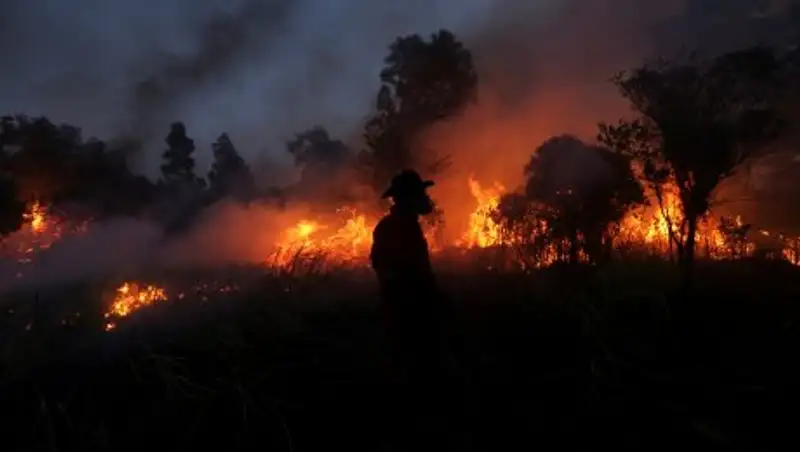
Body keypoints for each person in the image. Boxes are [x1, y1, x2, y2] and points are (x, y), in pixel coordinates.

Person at [370, 169, 445, 386]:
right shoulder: (395, 227)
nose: (426, 199)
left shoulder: (404, 225)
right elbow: (392, 270)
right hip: (407, 311)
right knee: (413, 371)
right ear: (409, 198)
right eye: (421, 194)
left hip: (409, 307)